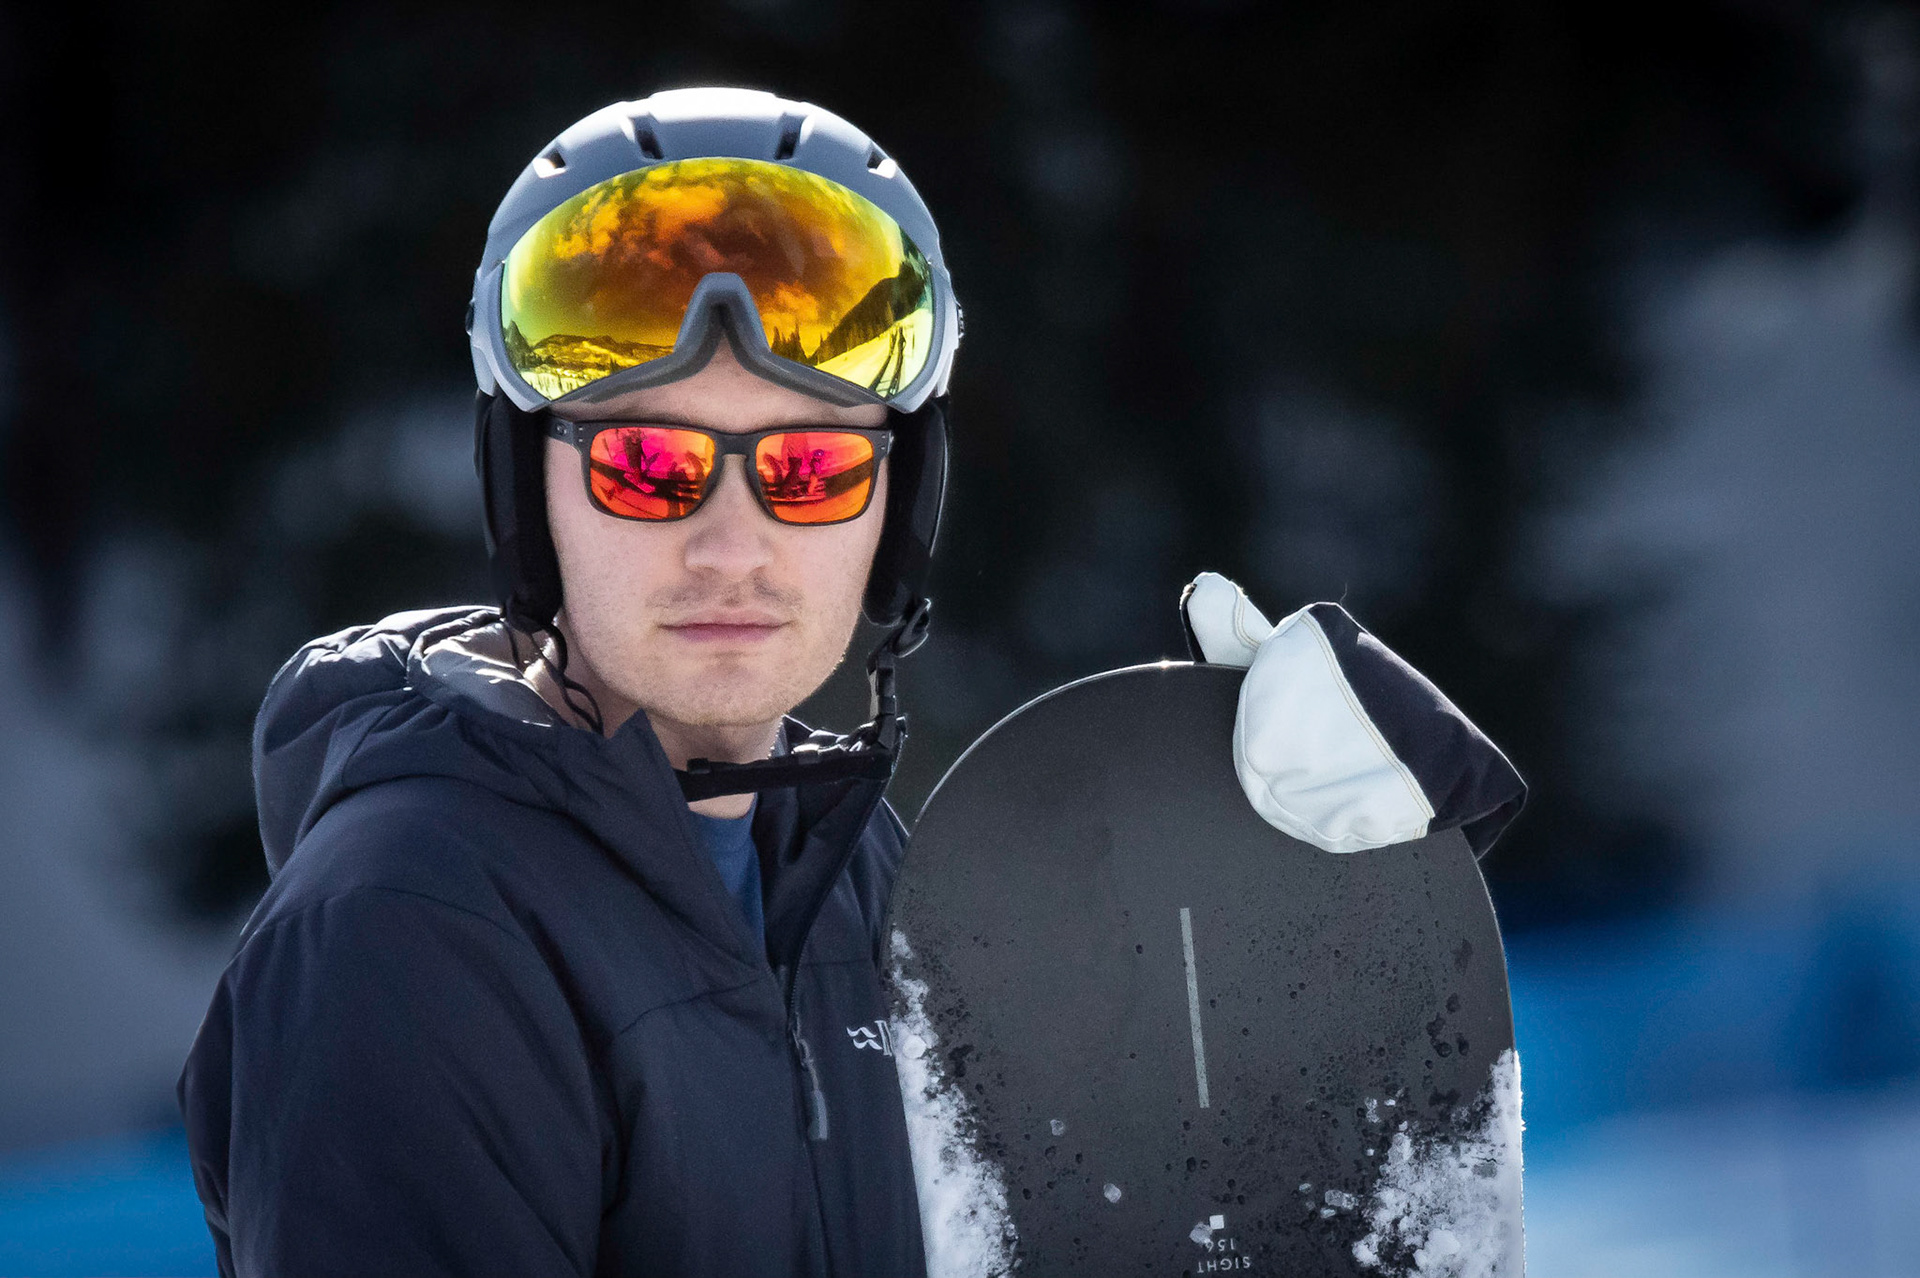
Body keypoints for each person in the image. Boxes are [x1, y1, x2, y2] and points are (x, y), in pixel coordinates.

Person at [179, 88, 1523, 1278]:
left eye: (810, 470)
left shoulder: (847, 872)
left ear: (898, 508)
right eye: (646, 465)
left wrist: (1344, 862)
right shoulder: (409, 932)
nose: (729, 545)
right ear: (527, 493)